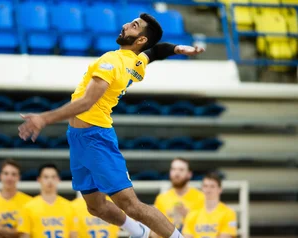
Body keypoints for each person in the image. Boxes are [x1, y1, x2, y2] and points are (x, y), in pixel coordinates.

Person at [18, 13, 205, 238]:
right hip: (78, 138)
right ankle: (141, 233)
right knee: (95, 206)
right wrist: (177, 49)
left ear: (140, 40)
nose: (126, 25)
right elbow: (155, 52)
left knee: (131, 205)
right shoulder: (135, 61)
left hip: (96, 138)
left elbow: (86, 103)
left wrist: (43, 118)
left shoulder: (113, 61)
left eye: (134, 25)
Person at [18, 163, 76, 238]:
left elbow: (73, 235)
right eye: (46, 177)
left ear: (58, 179)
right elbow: (24, 235)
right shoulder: (28, 207)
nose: (50, 180)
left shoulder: (69, 206)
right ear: (39, 179)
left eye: (53, 177)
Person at [154, 158, 204, 234]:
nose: (176, 173)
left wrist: (188, 215)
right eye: (173, 169)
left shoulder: (201, 198)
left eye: (181, 170)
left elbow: (208, 227)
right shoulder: (161, 198)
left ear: (189, 174)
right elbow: (155, 227)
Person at [183, 173, 237, 238]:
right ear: (202, 188)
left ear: (220, 189)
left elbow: (226, 236)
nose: (208, 190)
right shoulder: (192, 212)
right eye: (205, 186)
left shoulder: (229, 213)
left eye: (212, 186)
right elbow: (187, 236)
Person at [0, 159, 32, 231]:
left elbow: (27, 232)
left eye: (13, 174)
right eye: (6, 173)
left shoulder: (29, 202)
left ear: (19, 177)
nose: (9, 178)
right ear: (0, 176)